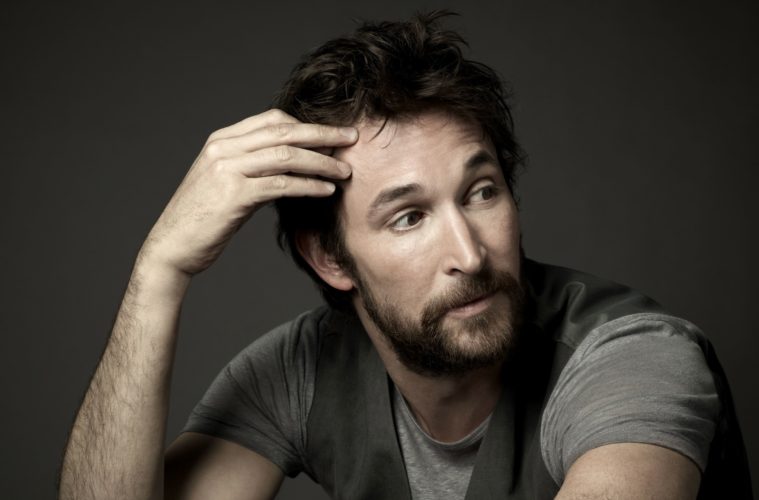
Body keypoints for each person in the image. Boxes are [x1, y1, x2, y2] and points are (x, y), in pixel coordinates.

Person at [58, 11, 752, 500]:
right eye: (409, 217)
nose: (469, 254)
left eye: (480, 193)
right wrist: (159, 271)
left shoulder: (632, 357)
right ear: (330, 258)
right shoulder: (301, 371)